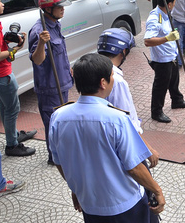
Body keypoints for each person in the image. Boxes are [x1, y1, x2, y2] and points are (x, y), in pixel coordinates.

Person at [49, 53, 166, 221]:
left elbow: (59, 160)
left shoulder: (58, 117)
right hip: (125, 206)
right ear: (103, 83)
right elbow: (134, 167)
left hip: (90, 204)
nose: (113, 79)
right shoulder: (116, 119)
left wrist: (76, 189)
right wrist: (157, 191)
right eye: (112, 75)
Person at [97, 28, 160, 169]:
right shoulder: (117, 81)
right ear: (123, 52)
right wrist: (148, 150)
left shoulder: (95, 71)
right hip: (122, 147)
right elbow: (127, 122)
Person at [28, 0, 74, 165]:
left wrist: (67, 68)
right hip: (50, 88)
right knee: (53, 125)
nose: (63, 9)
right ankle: (54, 157)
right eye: (59, 7)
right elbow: (37, 60)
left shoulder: (54, 24)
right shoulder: (40, 30)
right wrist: (41, 42)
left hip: (62, 83)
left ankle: (62, 152)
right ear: (48, 9)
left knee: (62, 122)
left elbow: (59, 52)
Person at [144, 0, 185, 124]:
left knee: (174, 80)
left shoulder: (166, 14)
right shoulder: (155, 18)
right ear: (170, 4)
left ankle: (177, 100)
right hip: (162, 60)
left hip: (172, 55)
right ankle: (156, 111)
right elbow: (147, 41)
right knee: (160, 86)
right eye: (175, 2)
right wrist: (167, 38)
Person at [0, 0, 36, 157]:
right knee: (12, 109)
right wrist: (15, 49)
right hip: (2, 75)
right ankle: (12, 145)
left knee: (5, 108)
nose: (2, 4)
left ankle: (13, 135)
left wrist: (5, 42)